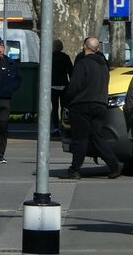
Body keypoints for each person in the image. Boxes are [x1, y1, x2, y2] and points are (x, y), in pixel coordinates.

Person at [61, 36, 122, 179]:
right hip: (100, 104)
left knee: (80, 139)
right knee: (97, 137)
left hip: (82, 105)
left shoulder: (83, 64)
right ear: (98, 49)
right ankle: (114, 164)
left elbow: (74, 86)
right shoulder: (103, 66)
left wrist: (66, 101)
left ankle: (75, 170)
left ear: (84, 47)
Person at [50, 39, 73, 136]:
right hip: (64, 84)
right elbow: (71, 71)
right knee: (64, 107)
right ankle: (64, 125)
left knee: (54, 108)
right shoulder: (65, 57)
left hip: (52, 85)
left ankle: (55, 127)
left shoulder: (49, 57)